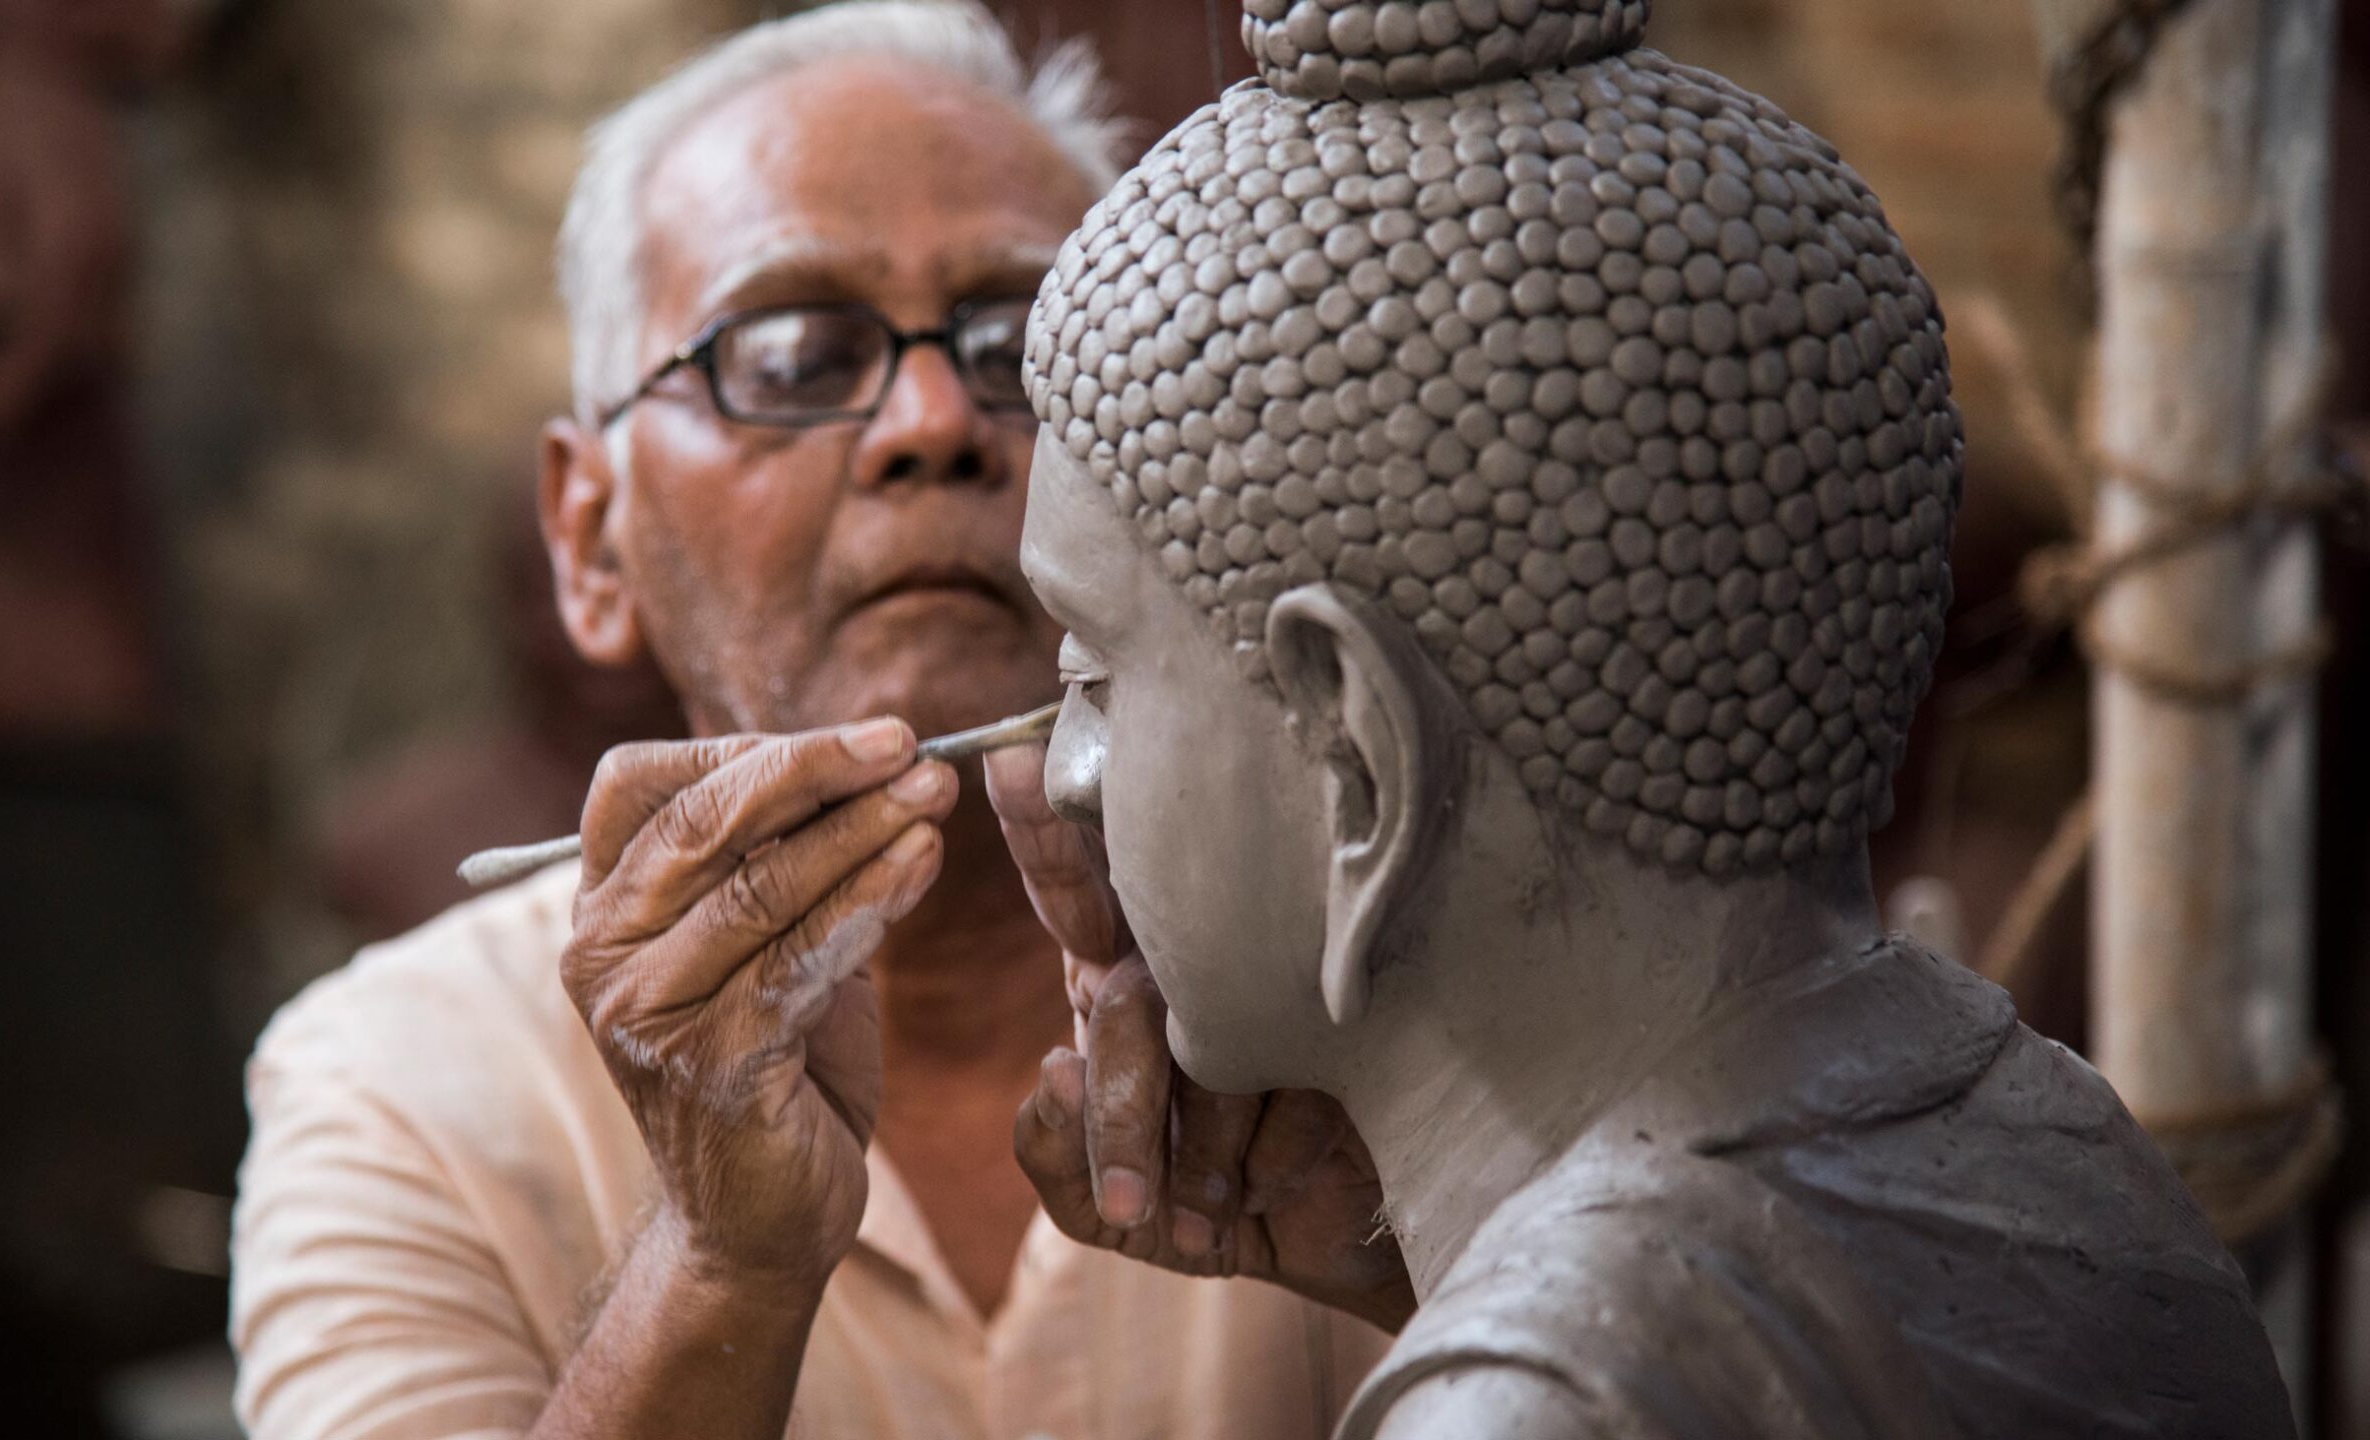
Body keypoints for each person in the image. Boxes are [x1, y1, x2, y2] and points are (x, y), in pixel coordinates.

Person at [989, 0, 2294, 1435]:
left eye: (1094, 675)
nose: (1064, 778)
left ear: (1357, 757)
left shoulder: (1545, 1409)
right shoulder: (2067, 1159)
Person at [228, 5, 1405, 1437]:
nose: (930, 418)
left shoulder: (1382, 959)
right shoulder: (401, 1086)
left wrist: (1425, 1258)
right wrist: (717, 1264)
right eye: (792, 354)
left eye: (1024, 342)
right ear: (589, 540)